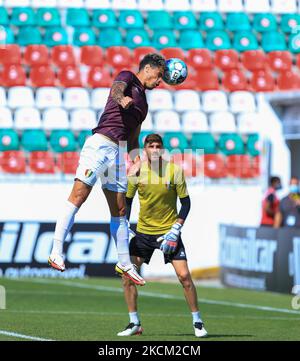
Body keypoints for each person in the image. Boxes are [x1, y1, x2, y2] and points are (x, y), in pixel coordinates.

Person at [48, 54, 166, 286]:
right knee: (79, 195)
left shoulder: (144, 104)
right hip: (100, 145)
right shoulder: (128, 77)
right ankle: (56, 250)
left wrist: (136, 160)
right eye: (159, 75)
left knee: (120, 208)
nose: (160, 81)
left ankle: (124, 262)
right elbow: (116, 90)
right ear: (148, 68)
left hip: (118, 154)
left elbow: (134, 135)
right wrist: (121, 99)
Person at [117, 133, 208, 338]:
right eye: (151, 146)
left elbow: (186, 203)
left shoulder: (174, 171)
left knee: (184, 277)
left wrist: (176, 228)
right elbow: (128, 201)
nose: (155, 149)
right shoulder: (136, 172)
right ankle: (134, 323)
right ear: (145, 149)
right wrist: (125, 225)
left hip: (169, 233)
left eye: (158, 146)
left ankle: (198, 322)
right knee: (127, 276)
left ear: (163, 149)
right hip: (143, 233)